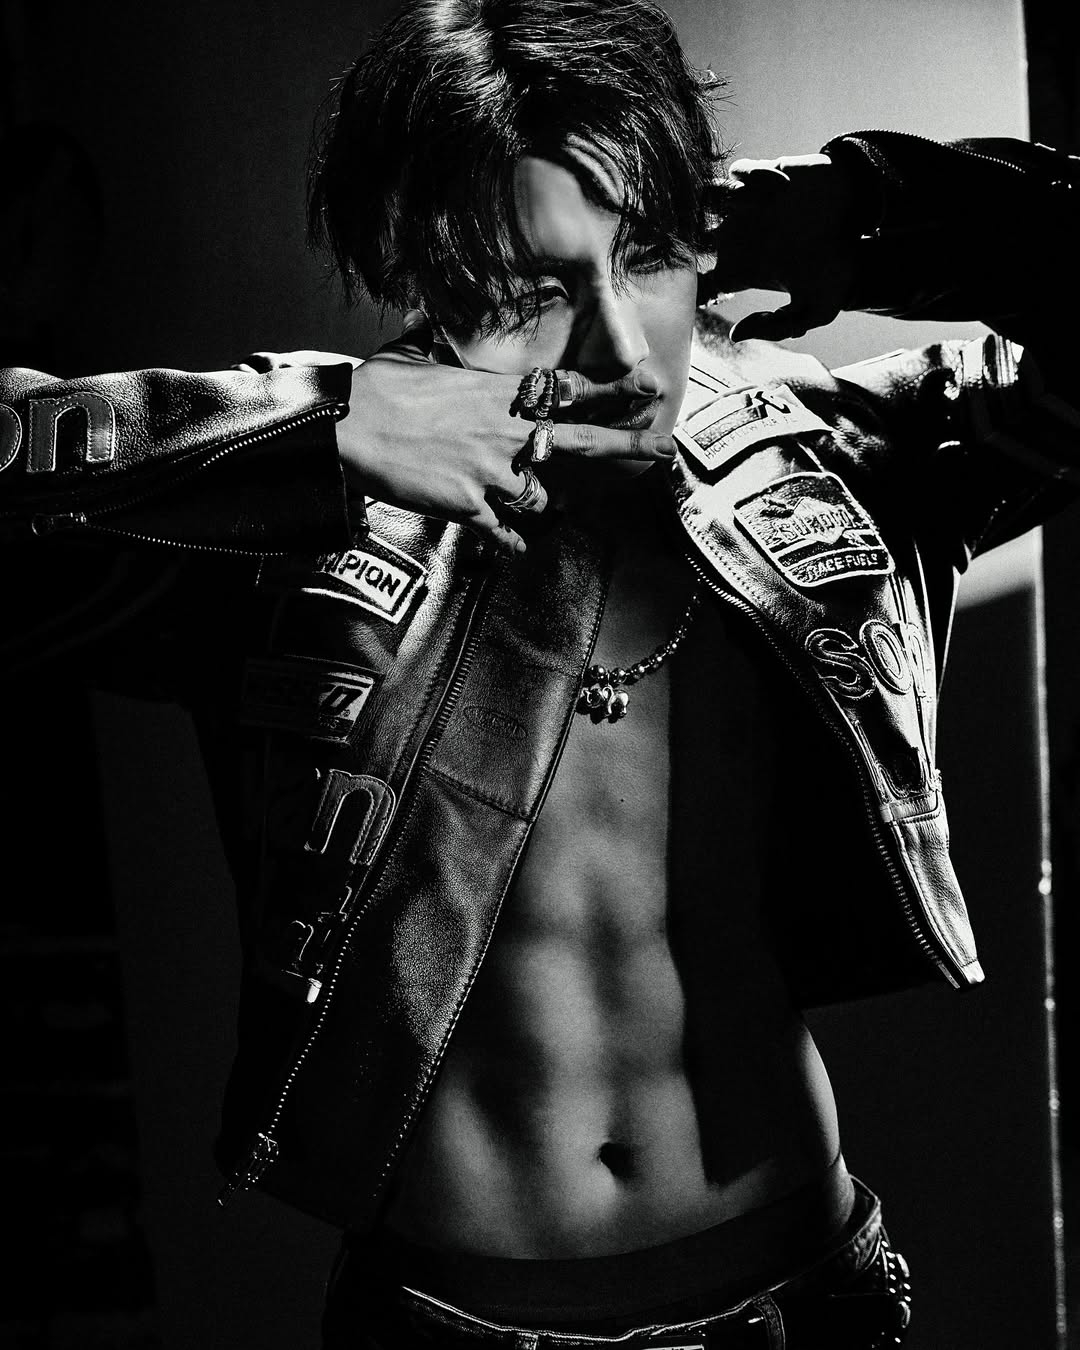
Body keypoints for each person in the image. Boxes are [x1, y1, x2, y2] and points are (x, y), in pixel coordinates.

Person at [3, 0, 1079, 1345]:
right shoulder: (289, 516)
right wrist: (314, 429)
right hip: (456, 1322)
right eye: (531, 292)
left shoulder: (826, 460)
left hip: (809, 1297)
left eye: (648, 254)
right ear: (414, 266)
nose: (620, 351)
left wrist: (869, 207)